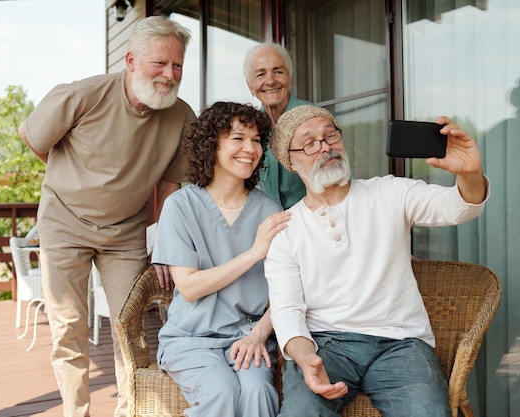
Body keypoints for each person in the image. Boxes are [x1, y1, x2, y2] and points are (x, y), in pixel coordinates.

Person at [17, 15, 195, 417]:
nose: (170, 74)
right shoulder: (84, 94)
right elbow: (32, 137)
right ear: (131, 60)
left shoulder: (182, 116)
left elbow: (168, 189)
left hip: (126, 231)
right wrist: (76, 178)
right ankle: (75, 412)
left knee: (129, 329)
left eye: (178, 66)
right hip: (64, 223)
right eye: (160, 64)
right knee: (68, 329)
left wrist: (164, 246)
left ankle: (129, 411)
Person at [264, 105, 489, 417]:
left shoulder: (390, 192)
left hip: (400, 344)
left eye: (330, 136)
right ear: (290, 161)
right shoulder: (286, 231)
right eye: (310, 142)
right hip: (328, 346)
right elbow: (287, 311)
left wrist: (470, 174)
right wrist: (305, 359)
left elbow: (460, 207)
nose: (325, 147)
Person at [152, 101, 290, 417]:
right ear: (212, 144)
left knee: (259, 393)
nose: (250, 149)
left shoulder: (270, 210)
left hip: (248, 337)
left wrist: (259, 335)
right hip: (191, 340)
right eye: (238, 138)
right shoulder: (180, 206)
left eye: (256, 140)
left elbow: (287, 289)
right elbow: (189, 287)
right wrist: (254, 252)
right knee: (221, 392)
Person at [244, 42, 312, 209]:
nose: (270, 81)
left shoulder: (314, 119)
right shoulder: (250, 128)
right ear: (250, 86)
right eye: (260, 74)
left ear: (290, 79)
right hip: (272, 224)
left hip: (314, 223)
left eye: (278, 72)